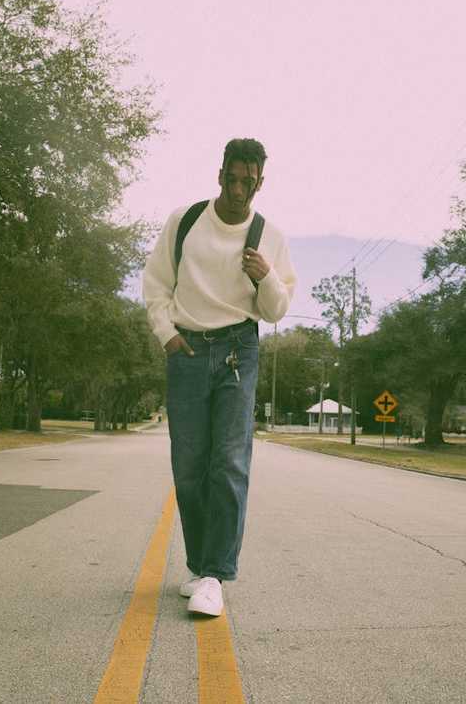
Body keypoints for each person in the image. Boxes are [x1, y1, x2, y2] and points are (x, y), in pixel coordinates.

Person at [142, 138, 296, 617]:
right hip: (187, 350)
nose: (238, 189)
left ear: (260, 183)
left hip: (238, 351)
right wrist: (167, 335)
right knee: (189, 465)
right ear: (220, 174)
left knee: (228, 462)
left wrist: (265, 275)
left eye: (248, 181)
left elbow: (276, 310)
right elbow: (155, 284)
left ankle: (215, 575)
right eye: (231, 178)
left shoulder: (269, 236)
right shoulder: (185, 221)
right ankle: (199, 566)